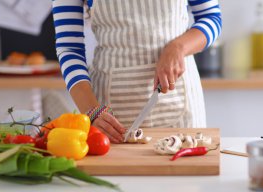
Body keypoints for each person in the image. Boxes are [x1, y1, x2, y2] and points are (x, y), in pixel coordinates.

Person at [52, 0, 222, 143]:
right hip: (109, 112)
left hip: (181, 102)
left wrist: (178, 47)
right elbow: (69, 48)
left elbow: (211, 17)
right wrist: (91, 110)